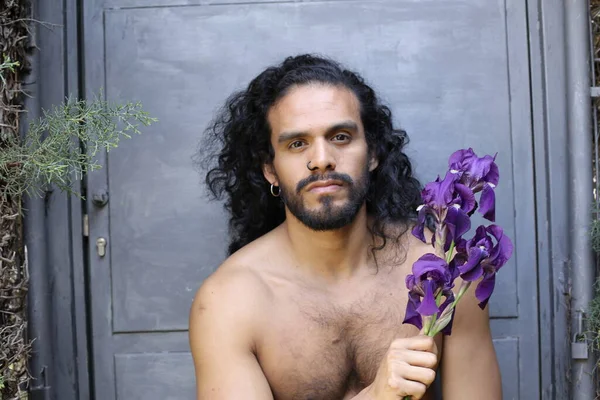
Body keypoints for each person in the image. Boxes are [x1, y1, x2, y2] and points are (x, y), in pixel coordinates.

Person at [189, 54, 501, 400]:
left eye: (340, 137)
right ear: (270, 169)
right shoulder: (230, 301)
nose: (321, 159)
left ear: (372, 153)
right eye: (297, 143)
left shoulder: (445, 271)